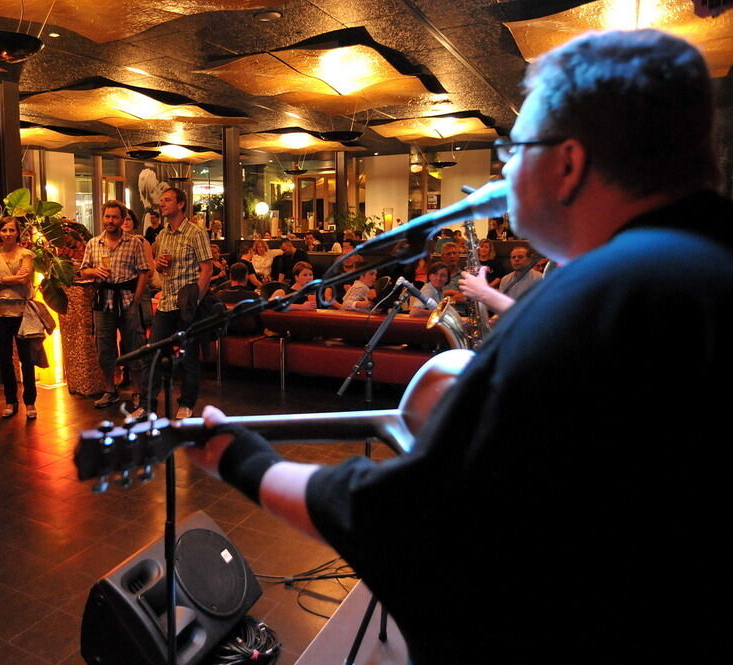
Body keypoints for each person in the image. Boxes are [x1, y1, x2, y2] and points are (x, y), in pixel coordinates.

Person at [189, 29, 731, 664]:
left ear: (568, 163)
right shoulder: (702, 268)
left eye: (516, 147)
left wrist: (246, 462)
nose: (503, 170)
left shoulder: (606, 295)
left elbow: (421, 528)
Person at [79, 201, 150, 413]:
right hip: (104, 301)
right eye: (107, 216)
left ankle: (138, 391)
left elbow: (144, 272)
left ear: (123, 219)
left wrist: (136, 300)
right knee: (104, 348)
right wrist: (94, 272)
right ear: (103, 218)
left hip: (127, 299)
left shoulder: (134, 243)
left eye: (115, 217)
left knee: (134, 346)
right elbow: (83, 271)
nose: (110, 221)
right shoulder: (94, 243)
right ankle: (110, 389)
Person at [150, 187, 213, 419]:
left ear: (181, 204)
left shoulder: (195, 233)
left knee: (188, 357)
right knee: (154, 354)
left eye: (167, 200)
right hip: (166, 303)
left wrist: (195, 299)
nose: (162, 204)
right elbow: (158, 267)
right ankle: (148, 404)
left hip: (187, 305)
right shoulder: (162, 234)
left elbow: (207, 269)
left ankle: (186, 404)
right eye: (161, 200)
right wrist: (159, 264)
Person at [0, 218, 37, 419]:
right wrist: (9, 280)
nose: (7, 233)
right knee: (5, 360)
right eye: (4, 230)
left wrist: (0, 279)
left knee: (27, 359)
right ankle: (10, 401)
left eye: (11, 230)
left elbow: (25, 279)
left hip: (23, 312)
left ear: (18, 233)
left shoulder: (26, 254)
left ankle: (30, 402)